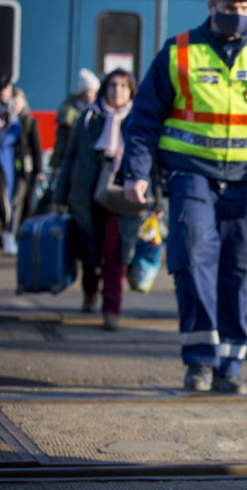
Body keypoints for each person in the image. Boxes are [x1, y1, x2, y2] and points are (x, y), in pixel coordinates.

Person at [121, 0, 247, 395]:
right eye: (230, 3)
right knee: (192, 259)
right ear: (212, 4)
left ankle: (229, 362)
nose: (238, 12)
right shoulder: (178, 52)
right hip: (191, 176)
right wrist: (136, 172)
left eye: (246, 5)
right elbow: (143, 119)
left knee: (236, 271)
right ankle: (199, 360)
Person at [53, 69, 159, 331]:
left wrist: (158, 203)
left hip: (126, 197)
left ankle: (111, 309)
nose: (117, 90)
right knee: (90, 248)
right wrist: (58, 196)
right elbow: (70, 158)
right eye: (113, 85)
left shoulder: (141, 120)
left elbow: (155, 165)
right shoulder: (88, 118)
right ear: (104, 88)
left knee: (116, 252)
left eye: (124, 86)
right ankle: (90, 293)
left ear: (132, 90)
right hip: (88, 194)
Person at [49, 68, 101, 178]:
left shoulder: (98, 110)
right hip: (72, 161)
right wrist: (55, 165)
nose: (93, 95)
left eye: (95, 92)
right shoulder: (68, 111)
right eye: (90, 91)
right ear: (83, 92)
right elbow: (61, 142)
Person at [0, 74, 20, 255]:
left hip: (4, 162)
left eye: (8, 89)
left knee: (4, 201)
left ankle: (6, 236)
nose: (5, 92)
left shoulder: (12, 113)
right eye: (2, 89)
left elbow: (12, 136)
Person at [11, 87, 44, 240]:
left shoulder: (29, 121)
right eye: (13, 102)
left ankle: (19, 233)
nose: (15, 106)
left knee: (22, 200)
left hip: (25, 168)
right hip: (9, 167)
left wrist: (39, 170)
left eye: (18, 102)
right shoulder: (8, 120)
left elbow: (36, 147)